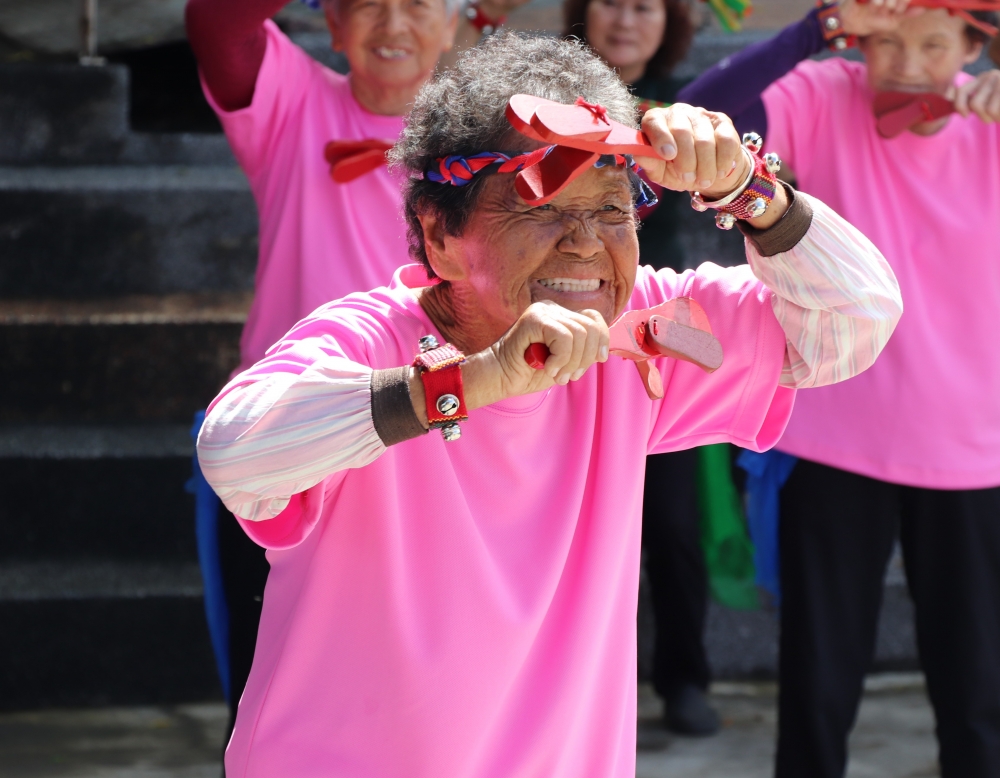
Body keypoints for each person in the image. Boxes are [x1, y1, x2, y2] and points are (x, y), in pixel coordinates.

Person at [196, 31, 901, 774]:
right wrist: (467, 383)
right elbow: (234, 452)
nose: (586, 244)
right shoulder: (369, 341)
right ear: (438, 238)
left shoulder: (639, 333)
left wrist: (751, 192)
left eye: (611, 209)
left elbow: (852, 326)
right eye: (540, 208)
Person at [184, 0, 524, 746]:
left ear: (458, 24)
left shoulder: (489, 139)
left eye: (417, 5)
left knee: (438, 705)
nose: (393, 24)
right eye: (368, 3)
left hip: (444, 453)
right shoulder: (294, 102)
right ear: (332, 26)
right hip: (289, 449)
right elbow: (217, 26)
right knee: (268, 692)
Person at [681, 2, 1000, 776]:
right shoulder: (822, 93)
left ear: (970, 48)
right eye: (887, 42)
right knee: (817, 686)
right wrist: (815, 27)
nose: (910, 63)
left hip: (974, 447)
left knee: (981, 694)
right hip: (834, 436)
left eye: (933, 44)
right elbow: (697, 119)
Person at [563, 0, 718, 738]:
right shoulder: (544, 113)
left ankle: (685, 678)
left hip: (661, 348)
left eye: (645, 5)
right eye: (611, 1)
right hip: (559, 343)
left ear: (670, 22)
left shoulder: (691, 117)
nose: (626, 19)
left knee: (676, 531)